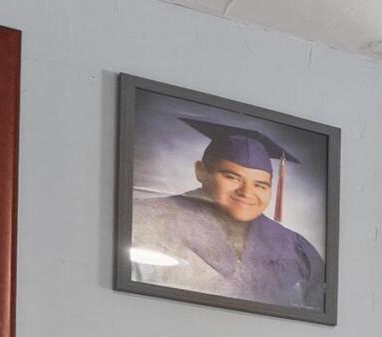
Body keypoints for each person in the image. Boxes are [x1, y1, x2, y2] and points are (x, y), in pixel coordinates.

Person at [127, 119, 327, 313]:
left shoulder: (296, 247)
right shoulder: (147, 219)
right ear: (201, 171)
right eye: (232, 177)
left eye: (260, 185)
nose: (247, 192)